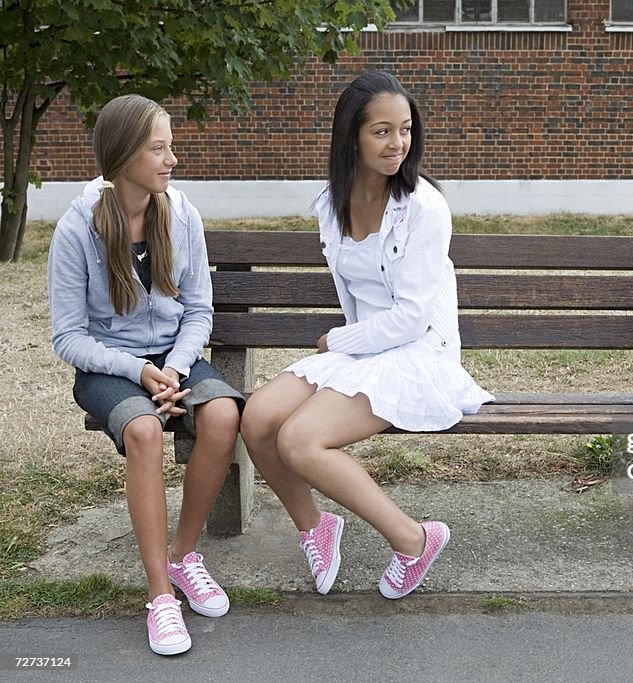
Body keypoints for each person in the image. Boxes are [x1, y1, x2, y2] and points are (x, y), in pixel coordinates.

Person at [240, 72, 493, 601]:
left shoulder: (423, 206)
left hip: (419, 354)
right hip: (364, 348)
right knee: (259, 418)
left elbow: (412, 318)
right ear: (351, 136)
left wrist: (338, 344)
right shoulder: (330, 205)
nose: (397, 144)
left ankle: (414, 539)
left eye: (404, 130)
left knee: (300, 440)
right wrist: (346, 346)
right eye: (382, 131)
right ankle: (316, 527)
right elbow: (353, 299)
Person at [48, 94, 244, 655]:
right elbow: (69, 338)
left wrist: (175, 368)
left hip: (174, 357)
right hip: (109, 364)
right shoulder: (76, 228)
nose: (171, 159)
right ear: (124, 153)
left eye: (170, 146)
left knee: (225, 413)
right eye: (158, 148)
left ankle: (184, 558)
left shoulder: (180, 213)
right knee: (144, 431)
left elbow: (199, 310)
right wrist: (138, 370)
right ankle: (160, 594)